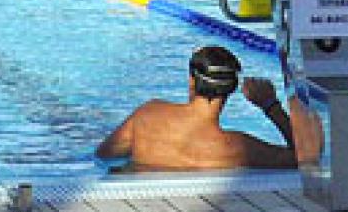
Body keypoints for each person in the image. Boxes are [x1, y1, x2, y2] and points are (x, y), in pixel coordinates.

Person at [95, 44, 319, 172]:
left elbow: (105, 154)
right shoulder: (239, 148)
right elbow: (306, 158)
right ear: (232, 89)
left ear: (192, 81)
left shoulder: (148, 115)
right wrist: (271, 105)